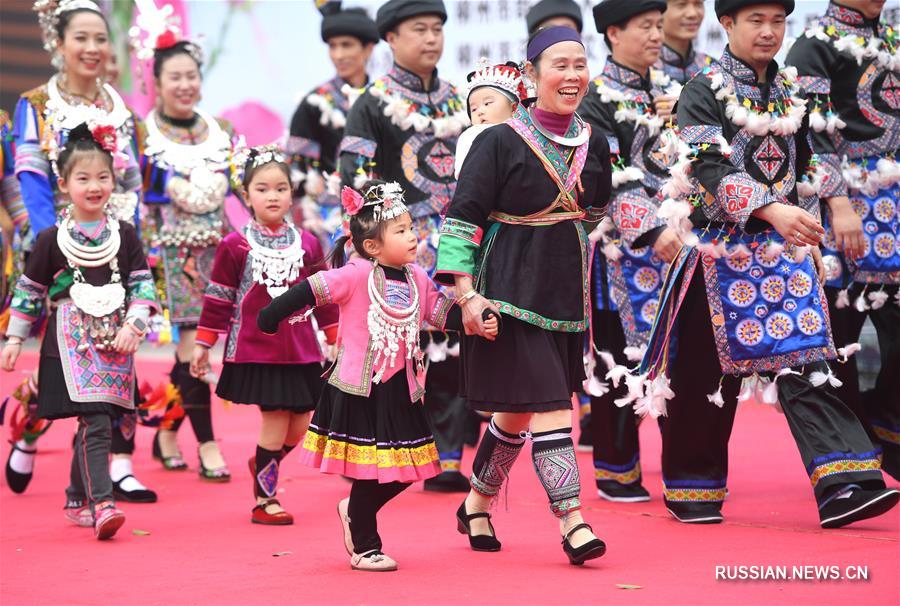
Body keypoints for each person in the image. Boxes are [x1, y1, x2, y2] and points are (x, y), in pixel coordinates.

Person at [640, 0, 899, 528]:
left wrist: (828, 200)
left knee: (807, 359)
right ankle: (694, 487)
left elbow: (816, 150)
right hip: (715, 251)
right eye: (754, 21)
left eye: (777, 21)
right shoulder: (704, 89)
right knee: (700, 377)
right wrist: (768, 206)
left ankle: (845, 482)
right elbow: (702, 162)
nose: (767, 32)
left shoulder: (795, 88)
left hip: (782, 252)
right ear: (728, 24)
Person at [435, 26, 611, 565]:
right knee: (555, 408)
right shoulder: (498, 139)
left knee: (514, 417)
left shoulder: (594, 139)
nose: (572, 75)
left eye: (580, 64)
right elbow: (462, 222)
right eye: (559, 64)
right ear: (531, 76)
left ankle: (475, 503)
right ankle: (573, 521)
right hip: (506, 294)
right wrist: (466, 297)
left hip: (563, 296)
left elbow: (597, 211)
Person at [258, 180, 495, 571]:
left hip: (403, 389)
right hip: (358, 389)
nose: (413, 236)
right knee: (370, 468)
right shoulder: (354, 274)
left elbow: (441, 313)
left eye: (411, 227)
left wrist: (475, 320)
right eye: (401, 231)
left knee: (408, 471)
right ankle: (366, 545)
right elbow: (309, 290)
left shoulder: (418, 278)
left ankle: (353, 510)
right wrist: (269, 318)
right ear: (371, 246)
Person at [9, 0, 154, 503]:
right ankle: (26, 427)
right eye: (82, 39)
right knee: (57, 367)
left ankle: (118, 463)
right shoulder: (37, 104)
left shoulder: (121, 109)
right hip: (55, 253)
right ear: (58, 42)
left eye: (100, 39)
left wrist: (125, 244)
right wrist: (63, 248)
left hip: (115, 251)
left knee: (121, 355)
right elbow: (28, 178)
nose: (93, 49)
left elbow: (133, 180)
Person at [1, 123, 158, 539]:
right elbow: (29, 291)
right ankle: (102, 503)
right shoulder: (52, 238)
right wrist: (15, 339)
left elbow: (143, 286)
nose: (95, 186)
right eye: (83, 178)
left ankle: (76, 496)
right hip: (69, 339)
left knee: (102, 418)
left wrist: (135, 324)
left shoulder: (124, 235)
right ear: (64, 183)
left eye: (103, 177)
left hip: (115, 337)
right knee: (94, 419)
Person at [339, 0, 472, 492]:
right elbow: (353, 183)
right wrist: (378, 245)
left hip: (458, 245)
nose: (432, 38)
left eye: (438, 28)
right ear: (392, 39)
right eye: (420, 29)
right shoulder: (370, 104)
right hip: (401, 253)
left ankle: (450, 458)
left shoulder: (461, 99)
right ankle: (389, 453)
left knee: (456, 346)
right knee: (400, 355)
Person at [191, 146, 338, 525]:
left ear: (292, 193)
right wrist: (204, 344)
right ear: (246, 196)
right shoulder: (234, 245)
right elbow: (219, 298)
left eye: (281, 188)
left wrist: (335, 335)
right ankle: (265, 499)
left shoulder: (307, 243)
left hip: (303, 351)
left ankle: (264, 462)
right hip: (258, 351)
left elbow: (322, 294)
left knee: (302, 425)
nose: (272, 196)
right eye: (262, 189)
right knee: (274, 421)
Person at [786, 0, 899, 481]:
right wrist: (837, 202)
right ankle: (852, 458)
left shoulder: (892, 36)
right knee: (841, 338)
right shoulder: (813, 46)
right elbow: (810, 134)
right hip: (842, 213)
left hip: (895, 209)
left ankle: (885, 424)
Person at [578, 0, 683, 503]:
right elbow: (608, 174)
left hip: (677, 245)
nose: (657, 35)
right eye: (646, 27)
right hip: (622, 253)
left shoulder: (672, 92)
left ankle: (683, 466)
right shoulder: (595, 98)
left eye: (659, 26)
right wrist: (648, 229)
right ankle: (616, 469)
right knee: (620, 358)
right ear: (614, 33)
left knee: (677, 358)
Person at [136, 18, 239, 482]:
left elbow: (243, 189)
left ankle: (167, 430)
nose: (184, 85)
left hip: (214, 258)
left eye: (190, 76)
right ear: (155, 82)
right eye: (174, 77)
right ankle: (209, 444)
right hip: (165, 262)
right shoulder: (142, 137)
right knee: (190, 350)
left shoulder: (220, 132)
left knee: (199, 352)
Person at [288, 0, 378, 244]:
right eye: (333, 46)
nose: (339, 55)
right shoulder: (314, 104)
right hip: (329, 220)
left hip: (383, 213)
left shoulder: (384, 100)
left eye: (346, 45)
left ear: (368, 48)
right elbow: (298, 175)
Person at [455, 59, 528, 178]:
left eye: (487, 103)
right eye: (473, 109)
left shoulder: (529, 136)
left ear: (514, 108)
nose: (480, 112)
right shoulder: (471, 136)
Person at [656, 0, 711, 84]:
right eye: (681, 5)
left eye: (698, 4)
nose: (693, 13)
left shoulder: (714, 68)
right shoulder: (643, 70)